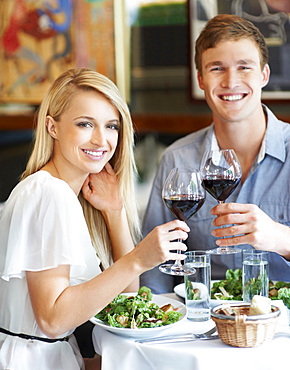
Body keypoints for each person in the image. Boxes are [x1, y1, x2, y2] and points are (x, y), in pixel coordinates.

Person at [0, 68, 190, 370]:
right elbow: (52, 319)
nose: (102, 139)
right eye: (85, 124)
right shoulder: (49, 193)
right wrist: (140, 258)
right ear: (52, 127)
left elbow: (125, 295)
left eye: (111, 126)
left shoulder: (64, 195)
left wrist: (114, 213)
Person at [141, 14, 290, 294]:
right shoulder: (177, 160)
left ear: (264, 75)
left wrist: (280, 237)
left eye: (244, 67)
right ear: (201, 79)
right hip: (201, 324)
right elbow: (154, 268)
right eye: (217, 68)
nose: (230, 81)